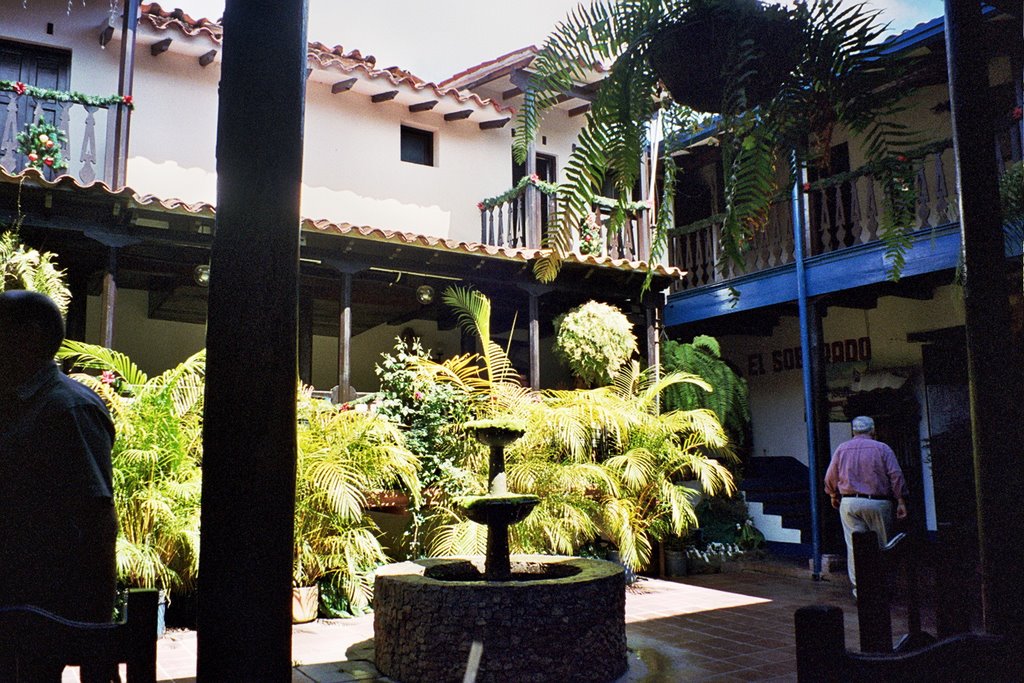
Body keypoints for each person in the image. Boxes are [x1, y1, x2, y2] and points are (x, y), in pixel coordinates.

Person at [0, 290, 118, 682]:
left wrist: (97, 638)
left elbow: (99, 520)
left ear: (29, 336)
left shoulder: (67, 409)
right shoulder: (18, 404)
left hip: (41, 610)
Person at [824, 415, 907, 598]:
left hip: (849, 502)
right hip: (878, 502)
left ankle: (860, 590)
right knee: (883, 546)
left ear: (853, 431)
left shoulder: (841, 449)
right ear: (873, 430)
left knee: (854, 547)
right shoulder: (882, 448)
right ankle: (883, 588)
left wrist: (832, 494)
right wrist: (900, 500)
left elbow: (831, 476)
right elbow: (895, 474)